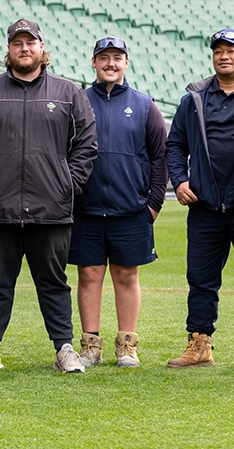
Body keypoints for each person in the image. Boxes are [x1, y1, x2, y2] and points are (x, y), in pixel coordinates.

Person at [0, 19, 98, 375]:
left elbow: (86, 146)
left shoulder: (68, 93)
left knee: (53, 283)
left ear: (41, 47)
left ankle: (64, 348)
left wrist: (67, 184)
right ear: (9, 49)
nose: (24, 48)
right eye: (17, 43)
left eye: (30, 42)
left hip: (51, 208)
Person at [165, 28, 234, 369]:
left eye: (232, 50)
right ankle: (199, 344)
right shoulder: (195, 98)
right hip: (205, 207)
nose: (224, 55)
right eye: (218, 50)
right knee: (200, 279)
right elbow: (175, 145)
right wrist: (179, 180)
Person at [70, 36, 167, 368]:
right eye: (104, 58)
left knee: (127, 275)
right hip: (86, 209)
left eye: (117, 58)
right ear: (94, 62)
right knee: (89, 274)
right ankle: (90, 344)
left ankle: (127, 344)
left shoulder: (143, 105)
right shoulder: (78, 101)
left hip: (131, 210)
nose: (110, 63)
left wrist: (153, 203)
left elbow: (159, 157)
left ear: (126, 62)